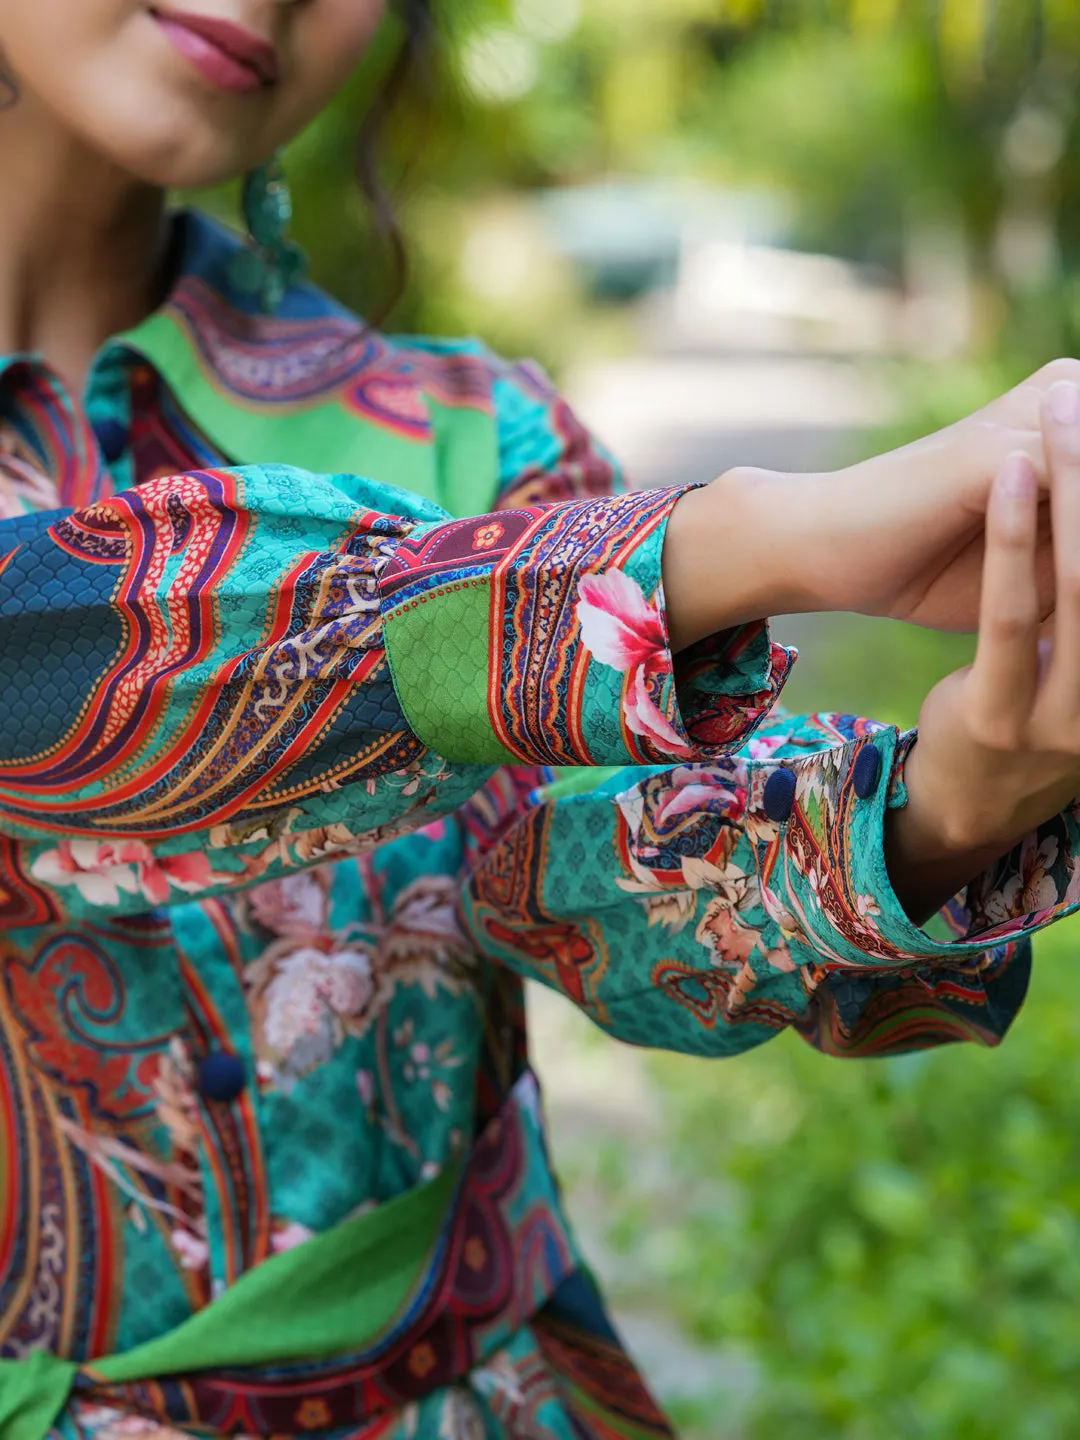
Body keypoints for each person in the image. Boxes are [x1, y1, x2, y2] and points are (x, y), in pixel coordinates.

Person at [1, 2, 1080, 1437]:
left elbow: (570, 886)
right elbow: (53, 667)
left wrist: (957, 799)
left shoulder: (470, 431)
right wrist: (754, 542)